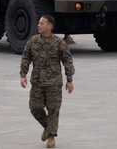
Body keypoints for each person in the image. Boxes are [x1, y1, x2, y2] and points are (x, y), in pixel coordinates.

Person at [20, 14, 74, 149]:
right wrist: (23, 75)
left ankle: (51, 137)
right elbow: (26, 58)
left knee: (53, 110)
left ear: (50, 26)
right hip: (37, 82)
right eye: (38, 23)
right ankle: (47, 126)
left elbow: (67, 61)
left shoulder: (58, 42)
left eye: (41, 23)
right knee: (35, 108)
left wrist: (69, 80)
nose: (38, 25)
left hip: (54, 83)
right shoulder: (33, 41)